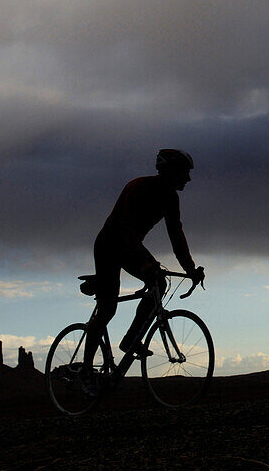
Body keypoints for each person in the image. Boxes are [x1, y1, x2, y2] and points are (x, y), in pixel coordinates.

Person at [83, 149, 204, 370]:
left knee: (159, 283)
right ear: (169, 171)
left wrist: (191, 269)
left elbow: (176, 235)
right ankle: (86, 369)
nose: (188, 178)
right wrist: (145, 263)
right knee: (108, 309)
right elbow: (124, 228)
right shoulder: (139, 187)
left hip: (131, 246)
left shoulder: (170, 198)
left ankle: (130, 339)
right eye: (184, 172)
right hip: (109, 245)